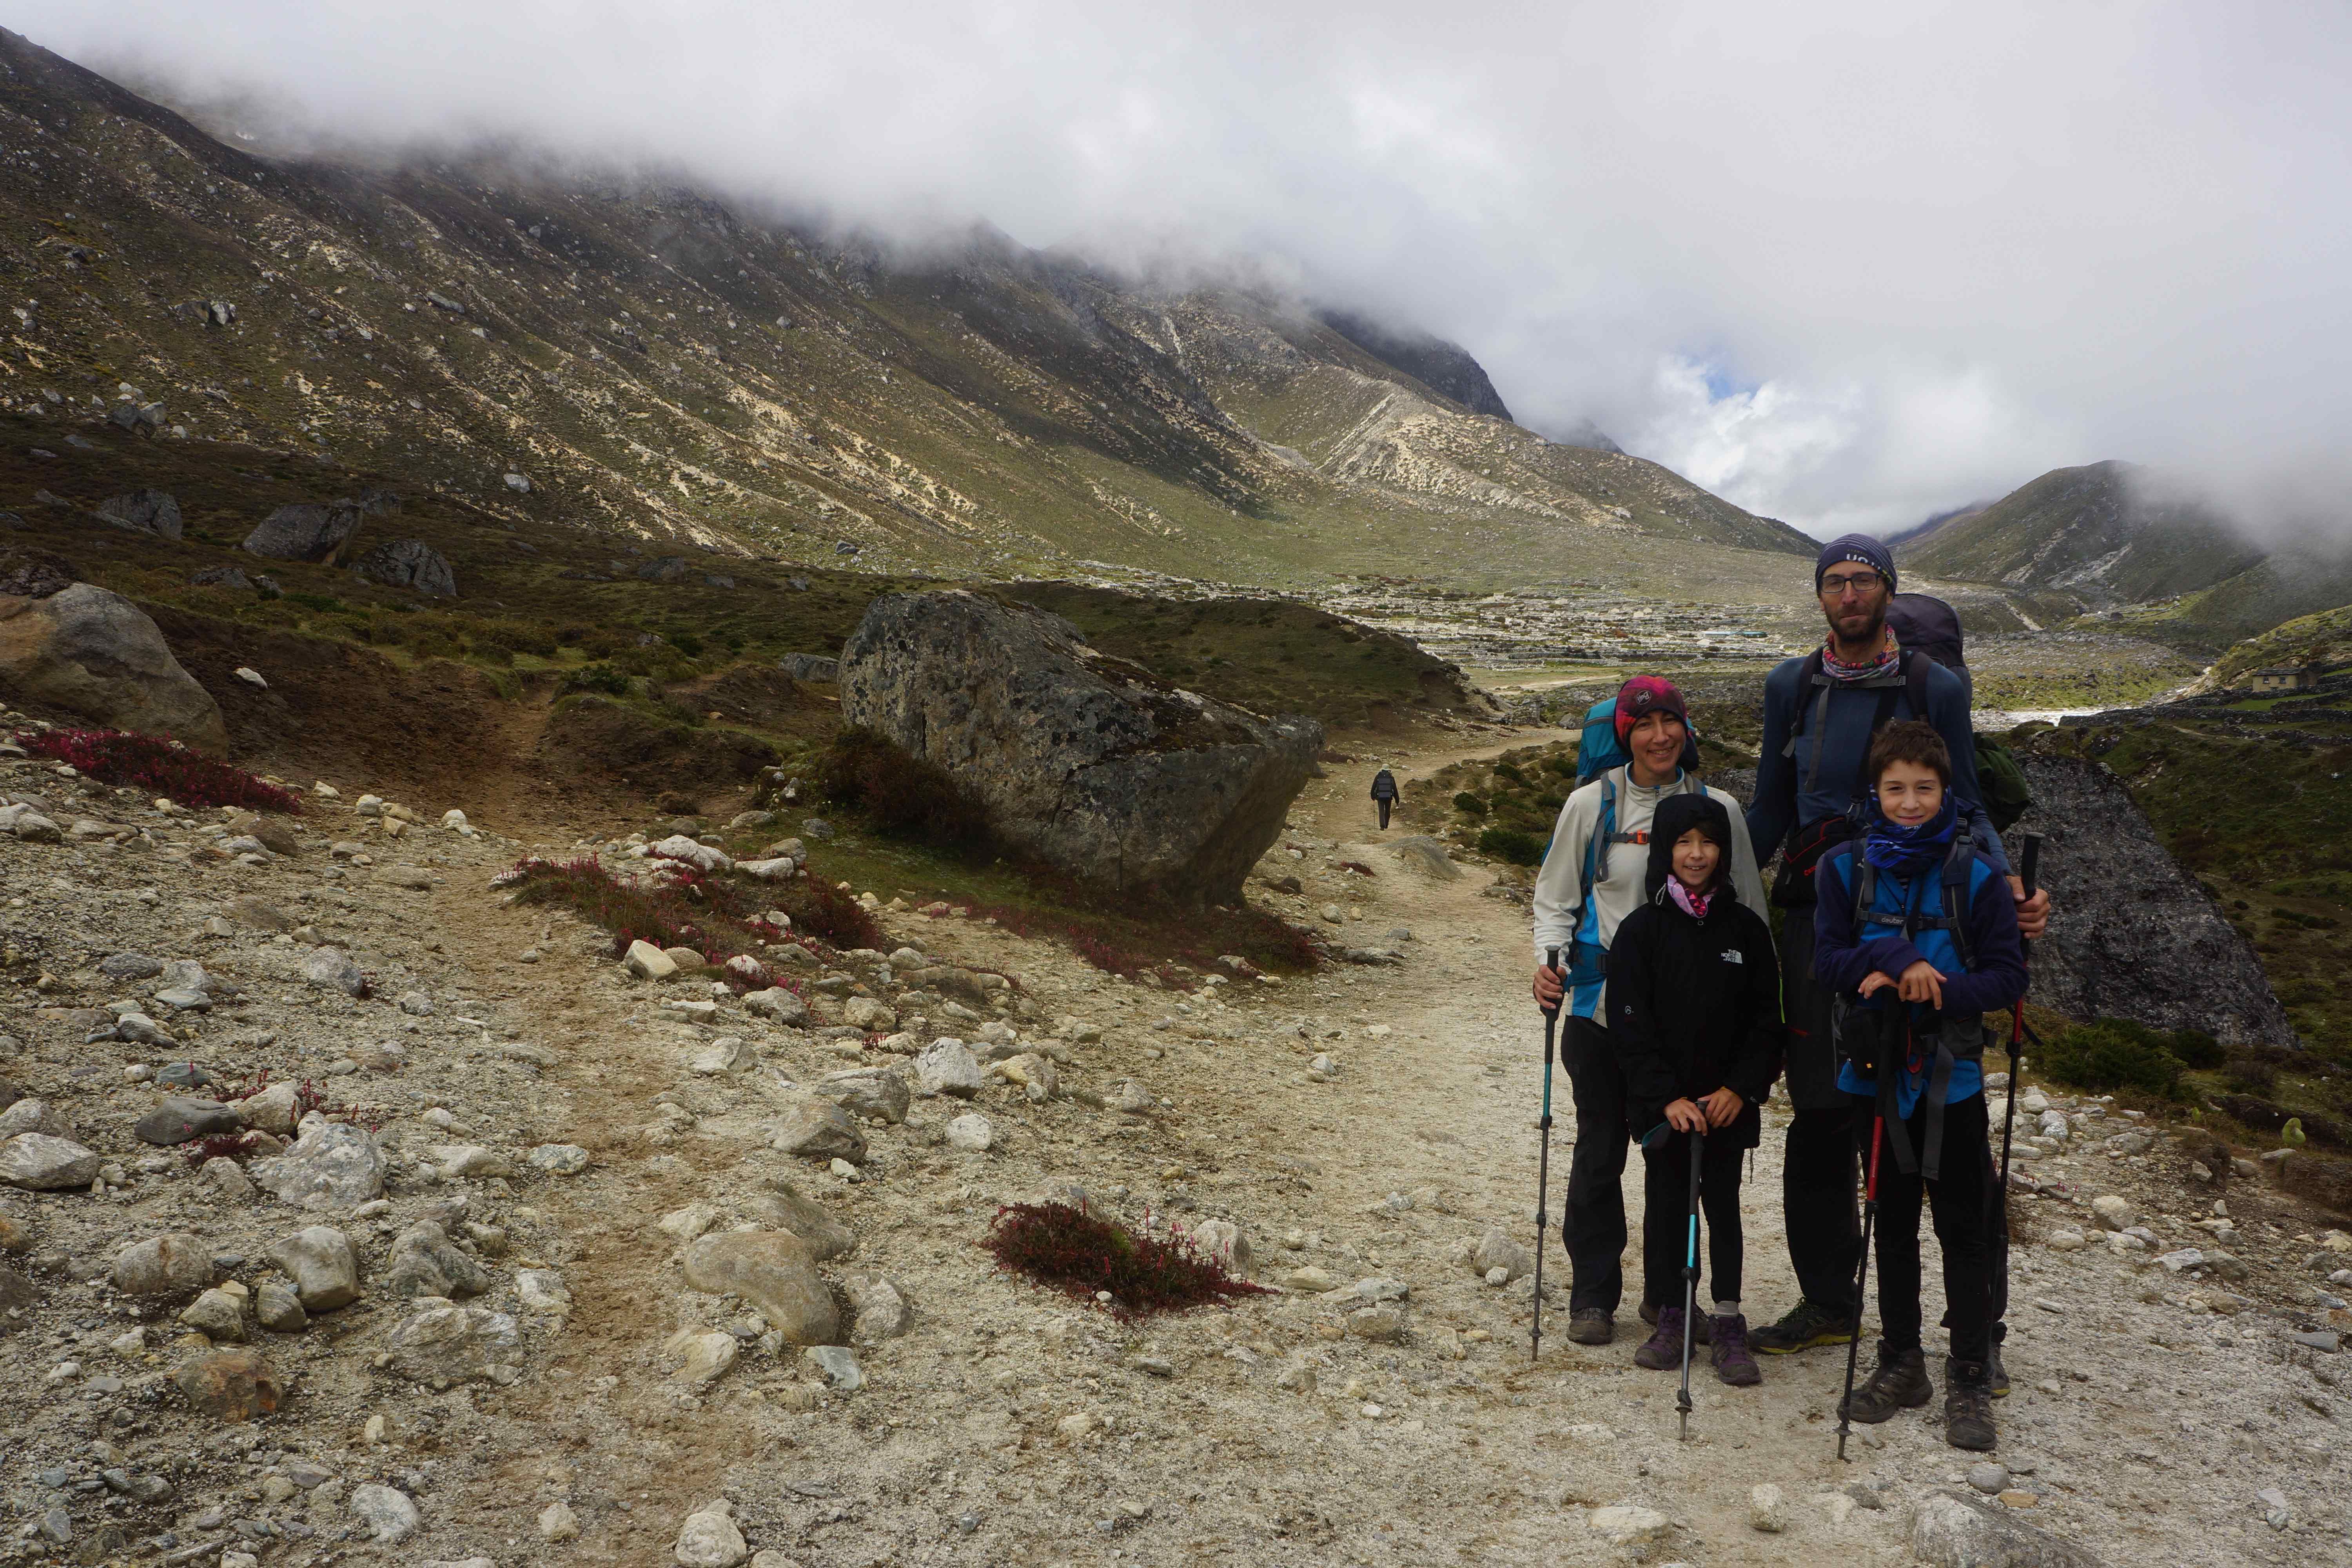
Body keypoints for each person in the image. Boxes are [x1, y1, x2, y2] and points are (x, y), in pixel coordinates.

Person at [1745, 535, 2047, 1376]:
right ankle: (1832, 1303)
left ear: (1887, 590)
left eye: (1863, 579)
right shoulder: (1790, 686)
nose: (1849, 593)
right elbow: (1770, 810)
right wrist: (1694, 869)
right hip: (1820, 914)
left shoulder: (1933, 686)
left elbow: (1968, 804)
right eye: (1835, 581)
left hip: (1922, 916)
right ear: (1819, 596)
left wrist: (2006, 896)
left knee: (1938, 1119)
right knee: (1818, 1111)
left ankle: (1975, 1325)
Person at [1532, 676, 1768, 1345]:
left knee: (1676, 1160)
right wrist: (1548, 963)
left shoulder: (1718, 809)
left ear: (1686, 730)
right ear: (1624, 734)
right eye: (1645, 724)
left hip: (1693, 1021)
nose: (1660, 736)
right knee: (1601, 1150)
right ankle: (1593, 1295)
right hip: (1601, 1009)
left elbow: (1747, 907)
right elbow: (1554, 897)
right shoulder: (1591, 805)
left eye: (1671, 722)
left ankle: (1668, 1298)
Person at [1815, 721, 2026, 1452]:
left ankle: (1971, 1371)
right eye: (1896, 788)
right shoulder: (1843, 869)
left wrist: (1933, 988)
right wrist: (1892, 956)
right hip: (1872, 1078)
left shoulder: (1975, 877)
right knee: (1892, 1223)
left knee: (1965, 1228)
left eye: (1924, 789)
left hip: (1953, 1077)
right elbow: (1827, 962)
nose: (1909, 803)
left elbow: (2009, 975)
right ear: (1874, 792)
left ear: (1946, 794)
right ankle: (1903, 1362)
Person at [1605, 793, 1782, 1387]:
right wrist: (1664, 1098)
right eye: (1684, 842)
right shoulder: (1641, 931)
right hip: (1669, 1108)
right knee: (1666, 1203)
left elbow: (1766, 1022)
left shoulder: (1748, 931)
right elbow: (1629, 1022)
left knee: (1723, 1206)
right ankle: (1673, 1314)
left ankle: (1729, 1319)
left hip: (1727, 1105)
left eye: (1708, 842)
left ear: (1724, 851)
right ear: (1665, 850)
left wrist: (1741, 1088)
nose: (1697, 854)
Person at [1370, 766, 1399, 831]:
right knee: (1388, 811)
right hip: (1389, 797)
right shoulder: (1391, 778)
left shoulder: (1378, 777)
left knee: (1381, 811)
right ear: (1389, 770)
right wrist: (1397, 800)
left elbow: (1374, 787)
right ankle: (1386, 824)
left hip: (1380, 797)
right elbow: (1395, 789)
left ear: (1382, 769)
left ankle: (1382, 826)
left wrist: (1373, 796)